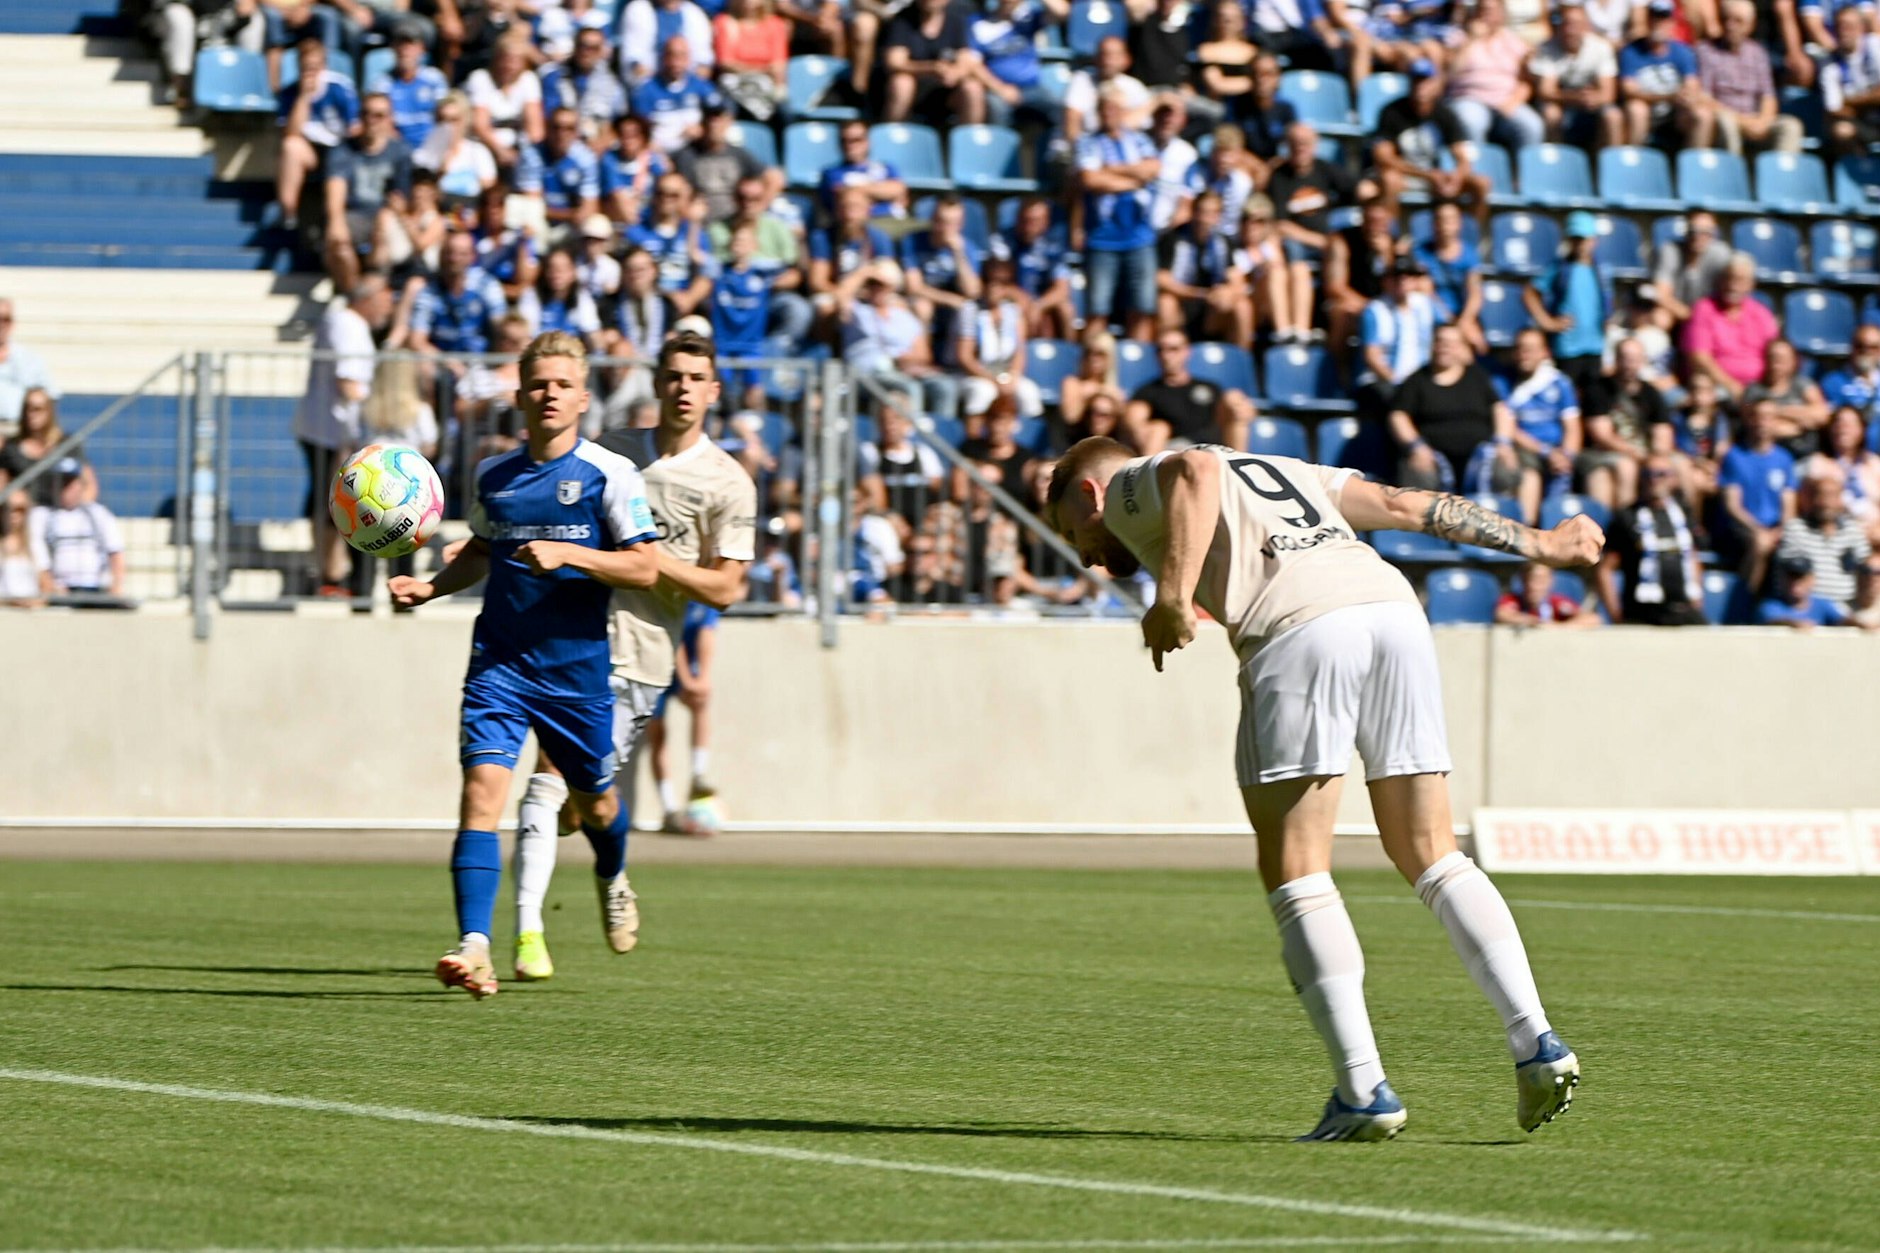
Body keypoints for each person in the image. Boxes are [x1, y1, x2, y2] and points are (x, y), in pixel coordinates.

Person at [1042, 436, 1598, 1140]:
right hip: (1393, 613)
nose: (1086, 555)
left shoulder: (1126, 485)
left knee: (1297, 868)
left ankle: (1364, 1089)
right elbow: (1401, 504)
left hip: (1301, 629)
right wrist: (1540, 544)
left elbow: (1192, 470)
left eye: (1072, 532)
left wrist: (1174, 596)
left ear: (1088, 496)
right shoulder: (1286, 470)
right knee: (1432, 850)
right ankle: (1537, 1042)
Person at [389, 331, 662, 999]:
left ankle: (611, 874)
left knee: (597, 804)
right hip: (500, 664)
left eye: (562, 384)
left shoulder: (609, 475)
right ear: (519, 395)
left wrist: (574, 555)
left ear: (582, 397)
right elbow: (481, 551)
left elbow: (646, 566)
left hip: (577, 674)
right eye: (538, 384)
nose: (549, 394)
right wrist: (429, 587)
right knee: (481, 796)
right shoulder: (495, 476)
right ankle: (474, 944)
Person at [498, 328, 756, 978]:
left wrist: (651, 563)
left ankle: (611, 871)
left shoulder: (727, 481)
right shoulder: (612, 454)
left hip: (641, 659)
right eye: (672, 375)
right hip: (572, 641)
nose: (682, 388)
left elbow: (725, 587)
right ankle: (526, 938)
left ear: (713, 390)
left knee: (596, 804)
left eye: (695, 378)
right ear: (657, 380)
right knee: (546, 781)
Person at [296, 276, 393, 597]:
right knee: (332, 504)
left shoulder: (347, 323)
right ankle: (330, 573)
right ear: (367, 298)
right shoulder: (347, 325)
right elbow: (349, 384)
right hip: (331, 433)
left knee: (331, 503)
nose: (387, 308)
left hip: (331, 431)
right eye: (384, 300)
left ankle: (332, 572)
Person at [1389, 322, 1519, 496]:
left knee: (1506, 469)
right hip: (1433, 458)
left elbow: (1500, 410)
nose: (1445, 347)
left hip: (1479, 459)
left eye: (1451, 343)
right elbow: (1398, 416)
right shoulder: (1416, 381)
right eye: (1440, 341)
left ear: (1461, 348)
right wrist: (1416, 447)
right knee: (1418, 476)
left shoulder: (1477, 377)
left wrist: (1504, 444)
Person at [1074, 85, 1161, 343]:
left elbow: (1153, 168)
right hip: (1103, 237)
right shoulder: (1088, 142)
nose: (1109, 113)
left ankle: (1137, 363)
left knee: (1142, 307)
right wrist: (1134, 179)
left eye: (1114, 108)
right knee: (1098, 309)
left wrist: (1111, 170)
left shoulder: (1139, 139)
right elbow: (1091, 179)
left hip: (1139, 236)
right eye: (1104, 108)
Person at [1597, 452, 1709, 625]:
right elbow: (1605, 569)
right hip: (1644, 613)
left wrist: (1697, 597)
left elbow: (1692, 556)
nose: (1654, 480)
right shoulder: (1627, 516)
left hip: (1684, 609)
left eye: (1661, 474)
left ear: (1673, 479)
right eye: (1647, 474)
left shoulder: (1683, 513)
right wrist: (1616, 616)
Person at [648, 601, 726, 834]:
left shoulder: (706, 591)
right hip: (655, 662)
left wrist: (702, 677)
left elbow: (706, 633)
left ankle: (698, 775)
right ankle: (669, 808)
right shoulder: (676, 591)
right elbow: (674, 638)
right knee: (657, 732)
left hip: (682, 663)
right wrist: (686, 679)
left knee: (700, 703)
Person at [323, 92, 413, 290]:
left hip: (385, 215)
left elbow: (401, 198)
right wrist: (336, 222)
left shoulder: (400, 152)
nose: (371, 120)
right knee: (338, 243)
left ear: (390, 119)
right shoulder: (344, 150)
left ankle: (379, 294)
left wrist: (384, 219)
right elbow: (336, 189)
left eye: (379, 115)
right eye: (366, 114)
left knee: (384, 241)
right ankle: (353, 295)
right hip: (355, 215)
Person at [1694, 0, 1803, 157]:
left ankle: (1782, 178)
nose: (1731, 26)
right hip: (1727, 118)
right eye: (1726, 19)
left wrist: (1762, 122)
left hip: (1755, 120)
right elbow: (1704, 98)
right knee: (1727, 123)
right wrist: (1743, 121)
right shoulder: (1706, 51)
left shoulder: (1758, 53)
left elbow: (1769, 97)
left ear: (1750, 26)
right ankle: (1733, 173)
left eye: (1738, 21)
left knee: (1790, 126)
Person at [1774, 461, 1880, 623]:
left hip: (1848, 606)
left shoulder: (1852, 530)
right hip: (1810, 609)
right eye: (1820, 495)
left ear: (1841, 499)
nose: (1826, 503)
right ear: (1811, 498)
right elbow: (1790, 575)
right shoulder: (1796, 529)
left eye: (1832, 496)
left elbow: (1865, 566)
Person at [1499, 328, 1585, 523]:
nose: (1524, 354)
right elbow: (1509, 428)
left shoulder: (1560, 383)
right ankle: (1528, 533)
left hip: (1558, 452)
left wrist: (1567, 456)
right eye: (1520, 349)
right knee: (1530, 475)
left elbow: (1573, 427)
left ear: (1544, 353)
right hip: (1525, 450)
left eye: (1530, 349)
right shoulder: (1505, 382)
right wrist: (1546, 452)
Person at [275, 36, 361, 230]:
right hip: (311, 151)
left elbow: (354, 128)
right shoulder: (290, 92)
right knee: (290, 146)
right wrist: (304, 97)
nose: (311, 73)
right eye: (306, 67)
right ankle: (288, 212)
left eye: (315, 66)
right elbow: (290, 133)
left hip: (339, 146)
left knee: (341, 157)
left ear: (324, 65)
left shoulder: (339, 87)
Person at [1124, 328, 1256, 453]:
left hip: (1213, 448)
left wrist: (1238, 405)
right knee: (1159, 429)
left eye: (1173, 349)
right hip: (1175, 451)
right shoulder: (1147, 391)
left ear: (1187, 351)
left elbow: (1229, 415)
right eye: (1161, 350)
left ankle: (1238, 466)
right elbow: (1134, 423)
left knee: (1233, 400)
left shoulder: (1209, 387)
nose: (1166, 355)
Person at [1524, 211, 1608, 405]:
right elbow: (1530, 293)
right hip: (1567, 348)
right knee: (1567, 401)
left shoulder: (1602, 270)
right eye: (1575, 239)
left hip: (1595, 346)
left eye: (1584, 239)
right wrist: (1548, 322)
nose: (1580, 244)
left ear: (1594, 240)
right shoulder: (1558, 268)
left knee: (1593, 402)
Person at [1716, 397, 1797, 595]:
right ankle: (1744, 604)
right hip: (1743, 527)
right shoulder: (1734, 456)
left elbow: (1789, 505)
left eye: (1768, 417)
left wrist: (1779, 531)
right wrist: (1759, 530)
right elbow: (1732, 505)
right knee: (1760, 543)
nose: (1762, 422)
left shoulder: (1784, 459)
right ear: (1749, 420)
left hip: (1776, 530)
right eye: (1757, 417)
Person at [1445, 0, 1546, 150]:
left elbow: (1527, 80)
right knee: (1472, 122)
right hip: (1469, 98)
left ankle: (1521, 172)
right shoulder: (1459, 37)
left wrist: (1515, 100)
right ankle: (1475, 171)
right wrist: (1471, 40)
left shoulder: (1512, 41)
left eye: (1491, 10)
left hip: (1505, 100)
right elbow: (1450, 73)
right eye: (1483, 10)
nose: (1487, 15)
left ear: (1502, 14)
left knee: (1532, 125)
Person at [1684, 253, 1780, 403]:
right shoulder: (1704, 309)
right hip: (1718, 388)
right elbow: (1699, 358)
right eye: (1729, 278)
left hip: (1759, 388)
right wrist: (1732, 386)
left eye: (1740, 280)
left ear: (1751, 284)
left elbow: (1775, 353)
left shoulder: (1762, 314)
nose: (1733, 285)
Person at [1527, 0, 1621, 150]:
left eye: (1576, 24)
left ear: (1586, 27)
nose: (1570, 30)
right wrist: (1575, 97)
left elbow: (1608, 93)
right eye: (1566, 24)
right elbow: (1545, 91)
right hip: (1563, 104)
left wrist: (1593, 99)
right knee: (1551, 113)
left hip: (1591, 107)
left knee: (1613, 116)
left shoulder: (1601, 47)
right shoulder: (1546, 49)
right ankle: (1556, 163)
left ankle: (1610, 166)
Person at [31, 458, 127, 600]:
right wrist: (49, 585)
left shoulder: (98, 513)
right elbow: (38, 556)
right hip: (60, 590)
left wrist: (117, 585)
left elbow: (115, 552)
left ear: (81, 485)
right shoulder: (41, 516)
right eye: (62, 482)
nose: (66, 488)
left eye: (70, 483)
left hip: (96, 588)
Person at [881, 0, 985, 125]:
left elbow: (966, 59)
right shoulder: (903, 20)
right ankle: (893, 134)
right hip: (915, 86)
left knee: (972, 88)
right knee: (902, 82)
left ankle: (971, 140)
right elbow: (894, 62)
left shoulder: (956, 20)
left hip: (945, 89)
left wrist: (954, 73)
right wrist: (931, 68)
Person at [515, 106, 602, 242]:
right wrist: (570, 215)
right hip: (542, 221)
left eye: (569, 128)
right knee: (529, 224)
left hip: (572, 222)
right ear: (547, 128)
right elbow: (533, 205)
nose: (562, 134)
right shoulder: (531, 155)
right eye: (557, 127)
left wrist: (577, 216)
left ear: (576, 132)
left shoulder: (585, 158)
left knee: (596, 225)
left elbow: (590, 204)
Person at [632, 36, 727, 154]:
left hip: (694, 149)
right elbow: (638, 129)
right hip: (659, 152)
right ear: (663, 58)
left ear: (689, 58)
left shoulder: (700, 85)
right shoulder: (646, 90)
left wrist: (703, 129)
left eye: (682, 56)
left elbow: (721, 114)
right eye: (671, 55)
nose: (676, 62)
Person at [465, 32, 544, 171]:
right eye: (506, 59)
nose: (509, 66)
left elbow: (535, 127)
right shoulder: (480, 78)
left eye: (516, 60)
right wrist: (500, 151)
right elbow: (480, 125)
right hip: (485, 145)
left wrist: (524, 152)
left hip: (518, 146)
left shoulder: (529, 80)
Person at [1742, 338, 1831, 459]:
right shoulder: (1753, 391)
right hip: (1767, 458)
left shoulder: (1803, 385)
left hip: (1806, 456)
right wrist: (1801, 425)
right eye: (1772, 357)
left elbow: (1822, 415)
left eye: (1782, 358)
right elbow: (1759, 427)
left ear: (1793, 361)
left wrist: (1776, 411)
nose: (1776, 362)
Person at [371, 23, 452, 149]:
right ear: (393, 48)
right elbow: (381, 121)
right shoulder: (383, 83)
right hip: (398, 149)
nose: (405, 49)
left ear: (422, 49)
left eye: (411, 44)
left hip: (433, 146)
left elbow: (446, 116)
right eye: (400, 44)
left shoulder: (434, 79)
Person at [0, 388, 81, 508]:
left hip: (61, 511)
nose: (31, 414)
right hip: (26, 514)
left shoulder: (66, 444)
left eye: (37, 409)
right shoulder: (12, 447)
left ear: (49, 411)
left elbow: (87, 483)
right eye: (27, 408)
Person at [713, 0, 790, 120]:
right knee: (726, 107)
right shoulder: (725, 22)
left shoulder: (775, 24)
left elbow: (778, 65)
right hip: (736, 83)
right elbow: (726, 62)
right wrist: (762, 70)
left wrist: (754, 70)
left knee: (784, 109)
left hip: (766, 84)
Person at [1821, 4, 1880, 157]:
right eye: (1840, 26)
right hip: (1859, 122)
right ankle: (1860, 172)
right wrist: (1871, 100)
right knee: (1841, 131)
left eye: (1849, 26)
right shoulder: (1829, 62)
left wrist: (1851, 102)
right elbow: (1835, 109)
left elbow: (1843, 103)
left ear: (1861, 28)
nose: (1844, 31)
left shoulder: (1875, 46)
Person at [1757, 554, 1867, 629]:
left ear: (1811, 580)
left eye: (1801, 577)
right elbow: (1772, 621)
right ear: (1782, 579)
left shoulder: (1822, 604)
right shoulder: (1770, 605)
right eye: (1791, 576)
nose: (1795, 582)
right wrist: (1793, 625)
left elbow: (1841, 620)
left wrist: (1860, 624)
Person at [0, 297, 57, 434]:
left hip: (20, 431)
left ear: (13, 323)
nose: (1, 324)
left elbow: (49, 396)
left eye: (5, 319)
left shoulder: (29, 360)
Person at [1496, 561, 1595, 627]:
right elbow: (1502, 614)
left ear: (1550, 581)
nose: (1534, 586)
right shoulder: (1513, 600)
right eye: (1531, 580)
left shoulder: (1556, 603)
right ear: (1523, 580)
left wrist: (1559, 627)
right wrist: (1533, 622)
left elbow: (1592, 619)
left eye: (1541, 581)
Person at [0, 489, 49, 608]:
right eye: (9, 508)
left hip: (30, 613)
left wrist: (35, 603)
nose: (14, 514)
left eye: (20, 509)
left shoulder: (35, 544)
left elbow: (46, 584)